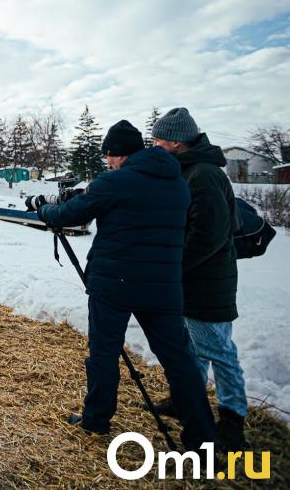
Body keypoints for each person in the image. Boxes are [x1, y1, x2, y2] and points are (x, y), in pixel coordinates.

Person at [33, 120, 215, 449]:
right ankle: (202, 437)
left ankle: (96, 419)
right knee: (178, 358)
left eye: (109, 157)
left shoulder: (115, 181)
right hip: (163, 285)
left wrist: (43, 209)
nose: (107, 163)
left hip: (114, 283)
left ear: (118, 155)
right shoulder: (177, 183)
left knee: (103, 352)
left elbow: (71, 213)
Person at [153, 107, 246, 450]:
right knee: (193, 348)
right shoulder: (188, 171)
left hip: (208, 281)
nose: (154, 145)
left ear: (176, 142)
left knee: (219, 351)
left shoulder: (204, 175)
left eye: (158, 139)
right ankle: (186, 400)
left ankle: (232, 420)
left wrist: (173, 267)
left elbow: (207, 235)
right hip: (193, 279)